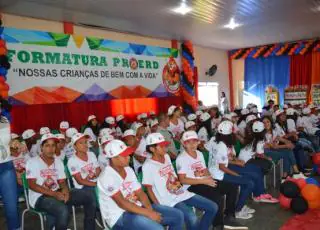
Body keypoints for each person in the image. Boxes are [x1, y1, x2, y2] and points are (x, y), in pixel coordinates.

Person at [97, 139, 184, 230]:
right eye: (124, 155)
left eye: (128, 154)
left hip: (137, 207)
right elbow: (122, 203)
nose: (129, 157)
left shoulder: (128, 169)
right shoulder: (107, 176)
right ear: (113, 158)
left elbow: (140, 193)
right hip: (119, 215)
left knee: (178, 216)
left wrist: (150, 210)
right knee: (157, 228)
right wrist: (148, 214)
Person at [142, 132, 218, 230]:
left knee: (213, 207)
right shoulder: (148, 166)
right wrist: (158, 207)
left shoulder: (166, 157)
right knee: (192, 218)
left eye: (165, 145)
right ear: (152, 149)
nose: (165, 148)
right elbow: (149, 189)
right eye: (161, 146)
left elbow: (173, 176)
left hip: (180, 192)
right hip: (168, 199)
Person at [177, 131, 247, 230]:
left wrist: (208, 177)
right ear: (184, 144)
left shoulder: (199, 154)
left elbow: (204, 170)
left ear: (198, 142)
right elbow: (183, 180)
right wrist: (204, 181)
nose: (192, 144)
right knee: (217, 196)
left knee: (232, 187)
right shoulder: (182, 158)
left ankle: (229, 216)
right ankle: (218, 225)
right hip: (191, 186)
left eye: (194, 141)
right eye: (188, 142)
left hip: (203, 181)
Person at [207, 121, 278, 220]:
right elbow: (222, 167)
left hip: (219, 170)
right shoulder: (222, 146)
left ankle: (244, 204)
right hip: (220, 174)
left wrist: (235, 160)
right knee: (249, 183)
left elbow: (219, 156)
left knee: (252, 177)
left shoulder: (214, 139)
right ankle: (238, 210)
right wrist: (236, 174)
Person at [27, 133, 97, 230]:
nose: (51, 149)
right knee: (62, 210)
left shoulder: (58, 161)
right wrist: (54, 194)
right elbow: (32, 185)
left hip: (57, 192)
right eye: (47, 145)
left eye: (53, 145)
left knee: (89, 197)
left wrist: (66, 191)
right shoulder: (33, 162)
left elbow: (62, 181)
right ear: (41, 147)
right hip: (40, 197)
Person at [262, 116, 306, 180]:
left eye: (267, 122)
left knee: (288, 150)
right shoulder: (263, 134)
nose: (266, 124)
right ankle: (294, 173)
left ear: (271, 122)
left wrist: (288, 142)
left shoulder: (273, 131)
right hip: (265, 153)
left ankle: (287, 176)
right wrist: (286, 145)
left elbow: (279, 138)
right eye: (264, 123)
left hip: (272, 150)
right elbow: (274, 147)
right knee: (287, 153)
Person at [0, 118, 21, 230]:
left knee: (12, 209)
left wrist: (14, 144)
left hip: (6, 166)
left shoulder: (4, 120)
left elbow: (9, 147)